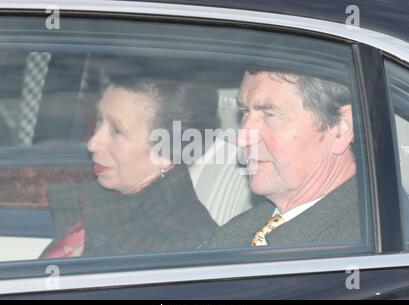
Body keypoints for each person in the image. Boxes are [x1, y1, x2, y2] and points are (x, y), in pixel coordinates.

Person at [41, 76, 220, 258]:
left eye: (117, 130)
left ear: (166, 152)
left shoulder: (183, 246)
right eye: (99, 119)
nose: (93, 143)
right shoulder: (108, 204)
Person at [204, 69, 361, 249]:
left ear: (341, 128)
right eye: (245, 112)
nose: (242, 138)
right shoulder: (243, 229)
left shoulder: (355, 248)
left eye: (270, 115)